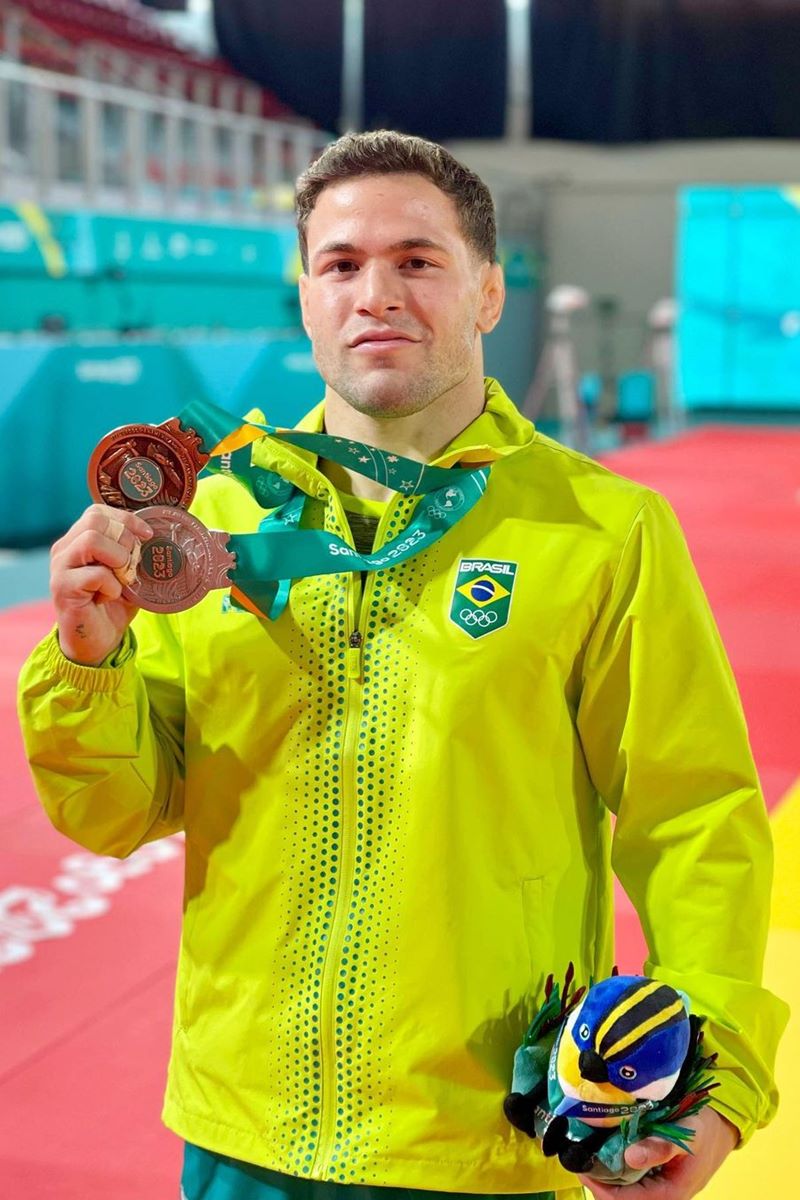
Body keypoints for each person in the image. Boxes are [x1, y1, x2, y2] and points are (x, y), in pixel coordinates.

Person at [18, 132, 787, 1200]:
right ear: (304, 297)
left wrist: (711, 1085)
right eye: (339, 264)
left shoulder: (601, 531)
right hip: (241, 1128)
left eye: (415, 261)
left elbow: (692, 815)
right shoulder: (213, 518)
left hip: (473, 1144)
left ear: (486, 291)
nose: (373, 293)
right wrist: (87, 666)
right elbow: (118, 811)